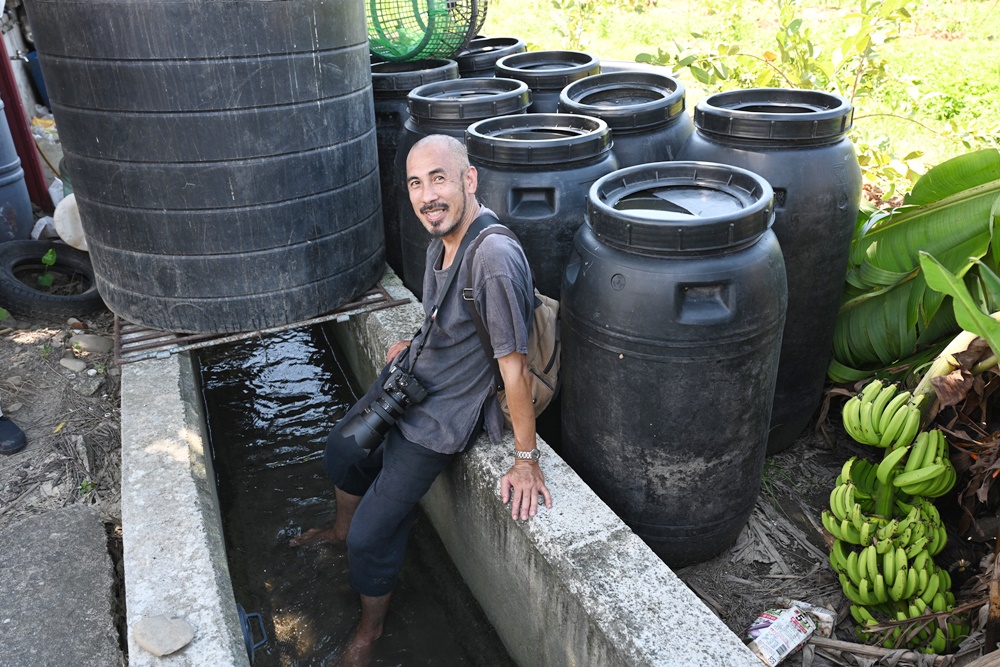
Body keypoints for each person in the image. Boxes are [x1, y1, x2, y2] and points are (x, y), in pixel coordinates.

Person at [291, 134, 553, 665]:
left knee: (373, 536)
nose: (427, 195)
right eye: (416, 183)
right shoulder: (441, 237)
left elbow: (514, 369)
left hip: (444, 414)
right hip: (414, 375)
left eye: (439, 178)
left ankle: (369, 631)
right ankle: (339, 529)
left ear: (469, 179)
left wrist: (526, 462)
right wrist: (415, 343)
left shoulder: (494, 259)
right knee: (341, 451)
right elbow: (450, 318)